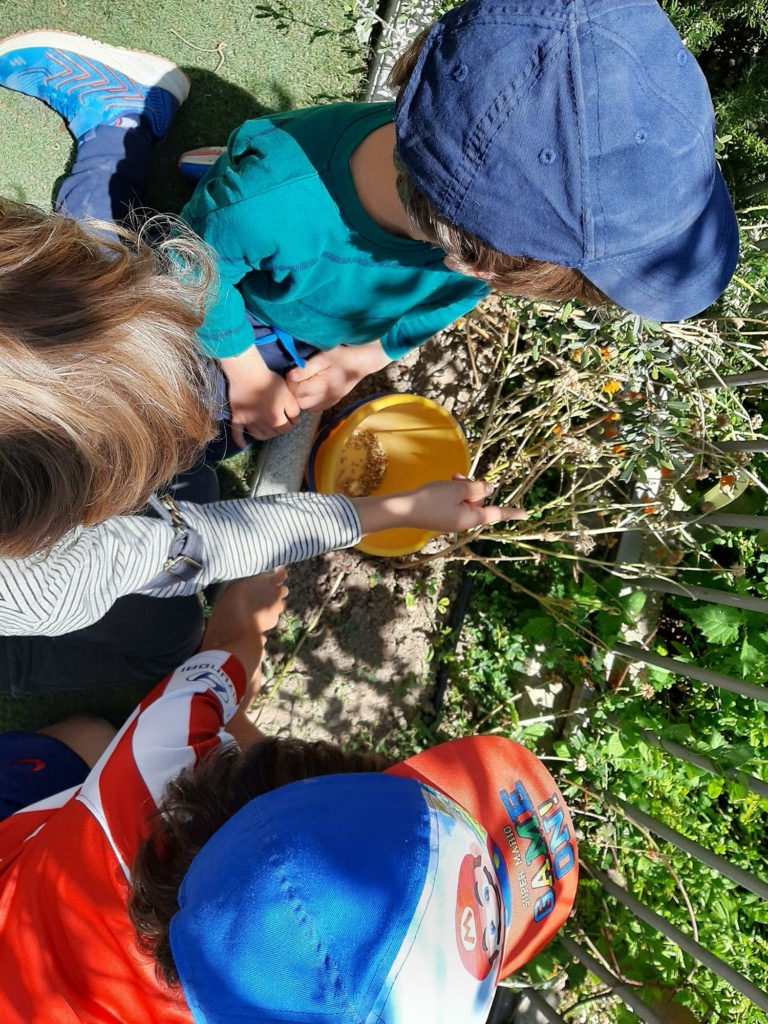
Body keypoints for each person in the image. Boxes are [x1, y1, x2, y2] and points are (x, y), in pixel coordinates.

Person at [0, 32, 524, 695]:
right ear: (85, 513)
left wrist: (339, 363)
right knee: (164, 638)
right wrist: (245, 377)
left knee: (125, 273)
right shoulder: (65, 579)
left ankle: (146, 156)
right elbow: (212, 541)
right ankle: (137, 151)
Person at [0, 571, 578, 1023]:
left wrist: (242, 617)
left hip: (20, 890)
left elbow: (227, 649)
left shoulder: (157, 764)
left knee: (88, 738)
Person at [177, 0, 739, 441]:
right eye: (501, 279)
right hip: (250, 282)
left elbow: (450, 298)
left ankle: (228, 185)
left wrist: (361, 357)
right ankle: (224, 167)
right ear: (464, 252)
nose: (488, 287)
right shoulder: (274, 207)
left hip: (304, 289)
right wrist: (245, 372)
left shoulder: (476, 231)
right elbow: (187, 267)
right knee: (201, 410)